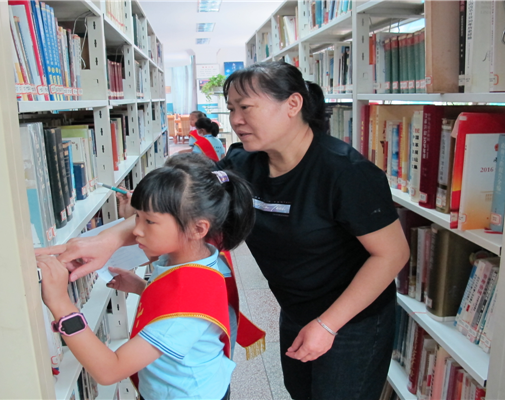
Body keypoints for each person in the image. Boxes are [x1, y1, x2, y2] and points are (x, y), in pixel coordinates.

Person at [37, 60, 409, 400]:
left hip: (353, 319)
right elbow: (179, 206)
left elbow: (392, 255)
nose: (236, 119)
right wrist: (105, 241)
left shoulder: (346, 174)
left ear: (293, 104)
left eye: (246, 107)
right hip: (296, 307)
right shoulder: (243, 163)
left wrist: (327, 326)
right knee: (302, 391)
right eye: (231, 109)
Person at [37, 158, 255, 400]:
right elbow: (178, 298)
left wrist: (60, 303)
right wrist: (144, 288)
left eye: (149, 221)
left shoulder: (184, 310)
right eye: (136, 217)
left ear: (197, 229)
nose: (136, 230)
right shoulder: (193, 258)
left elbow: (109, 371)